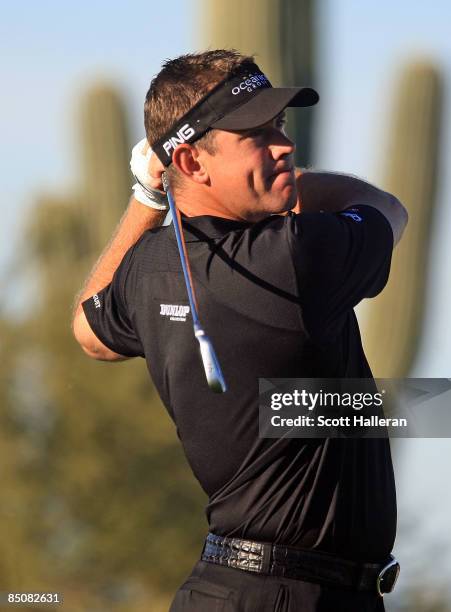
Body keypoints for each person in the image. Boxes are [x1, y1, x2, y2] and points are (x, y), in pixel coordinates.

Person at [73, 49, 408, 612]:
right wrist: (293, 185)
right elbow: (386, 208)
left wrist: (148, 195)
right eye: (256, 135)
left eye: (278, 125)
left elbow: (88, 327)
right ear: (191, 162)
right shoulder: (295, 258)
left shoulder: (150, 268)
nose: (284, 145)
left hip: (237, 589)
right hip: (290, 596)